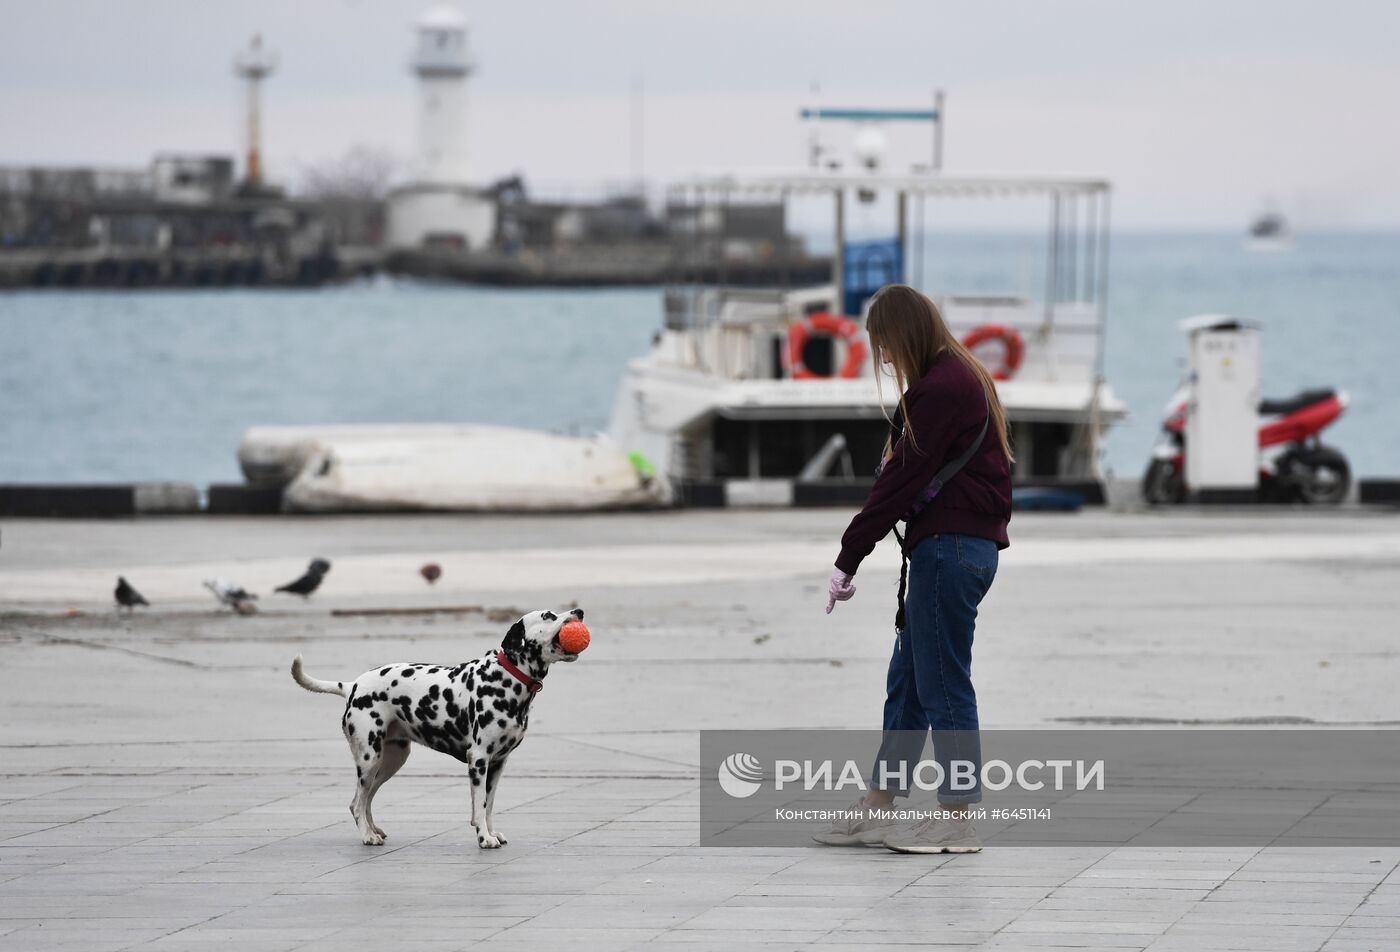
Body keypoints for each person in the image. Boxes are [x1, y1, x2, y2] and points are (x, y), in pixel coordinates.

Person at [816, 284, 1013, 854]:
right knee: (909, 682)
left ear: (902, 334)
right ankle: (880, 804)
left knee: (942, 680)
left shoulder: (943, 388)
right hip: (952, 550)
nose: (882, 357)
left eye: (883, 343)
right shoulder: (959, 376)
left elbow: (898, 481)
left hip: (950, 551)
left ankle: (957, 815)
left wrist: (849, 556)